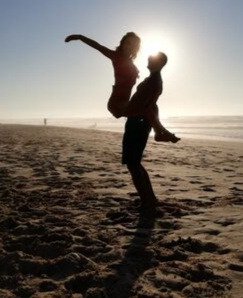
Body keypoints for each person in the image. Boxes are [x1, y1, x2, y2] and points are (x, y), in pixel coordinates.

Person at [65, 33, 179, 142]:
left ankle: (158, 133)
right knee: (147, 107)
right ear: (122, 43)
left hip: (127, 103)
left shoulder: (132, 65)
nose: (130, 46)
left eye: (134, 45)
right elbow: (98, 46)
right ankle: (162, 132)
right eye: (128, 43)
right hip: (116, 104)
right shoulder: (116, 57)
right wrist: (79, 37)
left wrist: (134, 72)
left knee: (153, 106)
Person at [122, 52, 172, 211]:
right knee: (134, 163)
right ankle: (149, 198)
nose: (148, 60)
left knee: (133, 163)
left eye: (152, 59)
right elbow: (149, 106)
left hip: (139, 122)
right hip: (139, 121)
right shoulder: (153, 79)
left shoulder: (154, 81)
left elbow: (146, 107)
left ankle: (147, 201)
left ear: (160, 63)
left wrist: (159, 128)